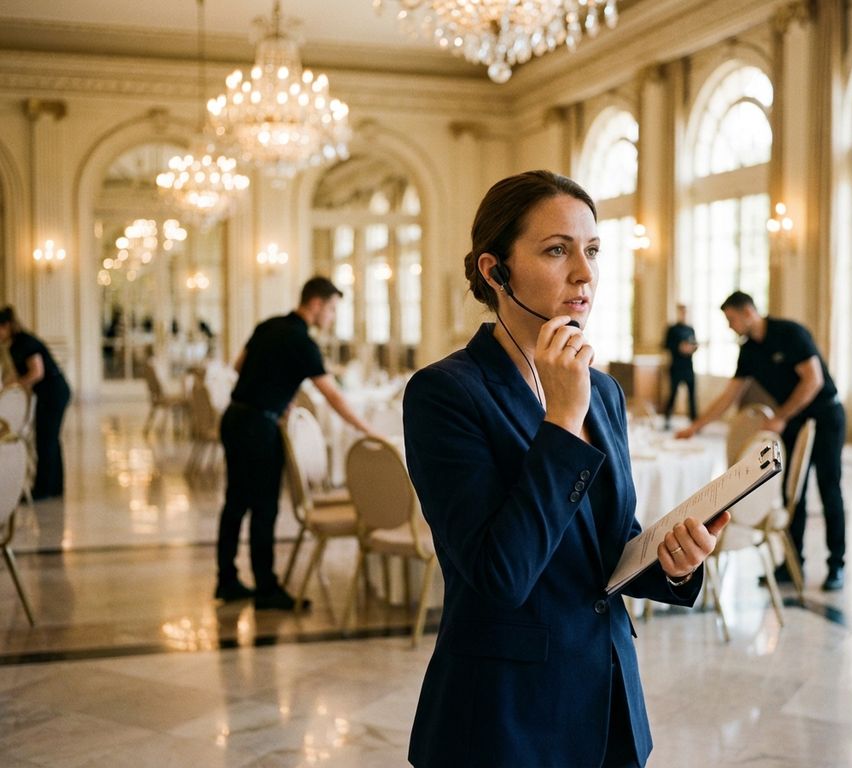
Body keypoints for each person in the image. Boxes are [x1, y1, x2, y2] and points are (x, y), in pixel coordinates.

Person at [402, 171, 730, 768]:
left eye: (593, 250)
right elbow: (500, 575)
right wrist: (560, 419)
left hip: (608, 704)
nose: (584, 272)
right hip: (505, 721)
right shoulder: (444, 394)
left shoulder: (602, 391)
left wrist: (672, 564)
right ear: (493, 270)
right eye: (557, 250)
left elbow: (610, 542)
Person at [215, 276, 381, 610]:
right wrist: (366, 430)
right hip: (259, 427)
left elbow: (238, 366)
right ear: (316, 304)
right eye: (332, 309)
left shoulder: (270, 325)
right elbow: (332, 394)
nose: (332, 317)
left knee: (235, 502)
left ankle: (227, 580)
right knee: (265, 508)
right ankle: (266, 589)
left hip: (235, 418)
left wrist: (277, 392)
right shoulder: (302, 342)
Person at [675, 290, 846, 591]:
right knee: (796, 494)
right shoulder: (749, 350)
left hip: (826, 417)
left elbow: (813, 379)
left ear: (747, 312)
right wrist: (696, 426)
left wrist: (780, 416)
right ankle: (792, 565)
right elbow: (730, 396)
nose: (730, 326)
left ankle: (836, 565)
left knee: (829, 488)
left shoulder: (789, 333)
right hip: (793, 422)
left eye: (731, 319)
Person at [0, 305, 72, 500]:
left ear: (6, 326)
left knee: (46, 439)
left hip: (53, 392)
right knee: (51, 439)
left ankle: (42, 490)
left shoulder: (24, 342)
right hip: (52, 392)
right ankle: (55, 487)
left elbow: (36, 372)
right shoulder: (17, 344)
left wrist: (15, 385)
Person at [662, 303, 698, 429]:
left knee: (692, 396)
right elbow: (665, 346)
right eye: (682, 311)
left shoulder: (691, 329)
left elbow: (695, 344)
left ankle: (694, 422)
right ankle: (667, 419)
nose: (684, 314)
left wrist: (691, 349)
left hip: (689, 367)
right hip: (676, 367)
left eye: (686, 312)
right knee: (672, 395)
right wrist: (679, 348)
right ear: (678, 312)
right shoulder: (672, 329)